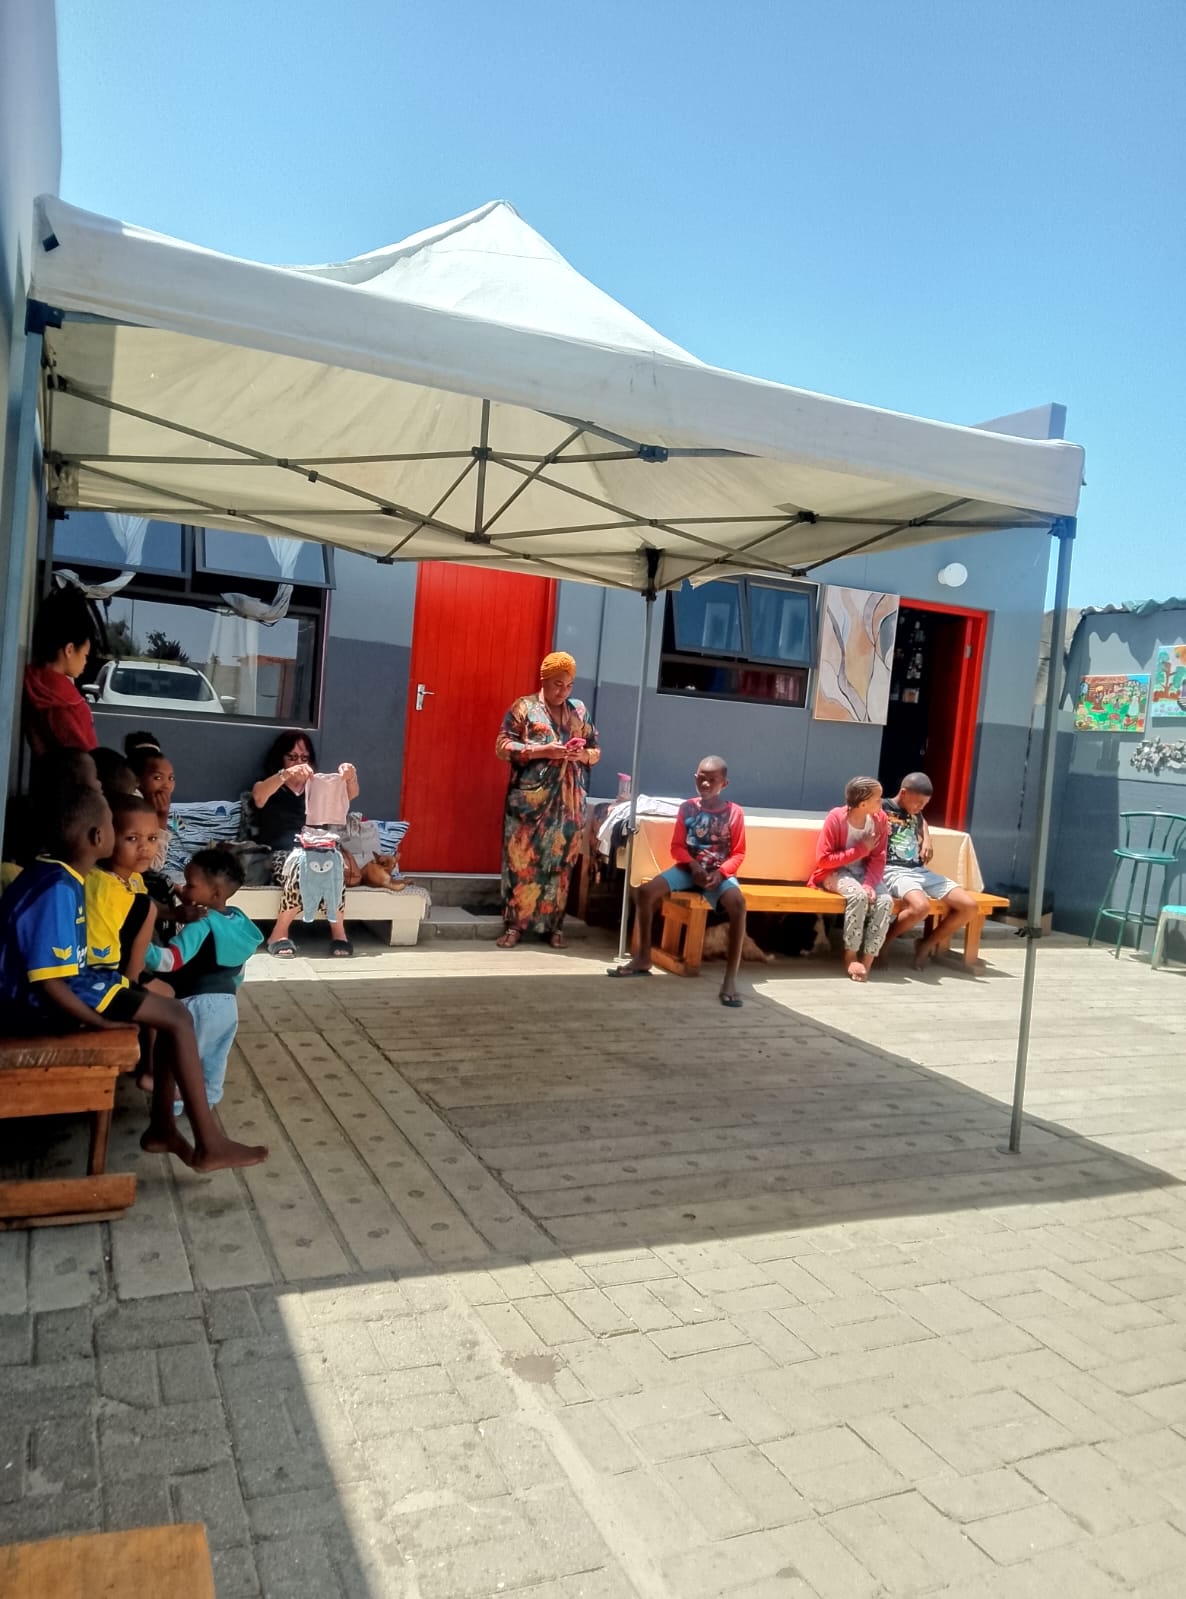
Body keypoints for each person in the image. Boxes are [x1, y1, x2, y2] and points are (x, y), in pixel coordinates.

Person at [0, 784, 267, 1172]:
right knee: (177, 1017)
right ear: (99, 837)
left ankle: (163, 1129)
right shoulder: (59, 887)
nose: (143, 845)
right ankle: (208, 1144)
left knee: (172, 1014)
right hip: (37, 1006)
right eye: (117, 828)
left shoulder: (62, 875)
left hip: (74, 985)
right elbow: (50, 981)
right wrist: (99, 1022)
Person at [609, 755, 748, 1007]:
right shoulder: (687, 809)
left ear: (724, 784)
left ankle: (730, 979)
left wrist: (720, 873)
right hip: (687, 869)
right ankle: (643, 957)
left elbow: (738, 853)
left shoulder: (734, 813)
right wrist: (692, 865)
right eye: (701, 779)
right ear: (695, 779)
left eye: (712, 780)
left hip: (717, 873)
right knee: (645, 892)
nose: (706, 784)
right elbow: (677, 847)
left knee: (738, 904)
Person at [144, 849, 263, 1118]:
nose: (184, 890)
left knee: (182, 1057)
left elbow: (171, 961)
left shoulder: (201, 923)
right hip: (227, 1004)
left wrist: (141, 950)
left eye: (190, 885)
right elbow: (239, 971)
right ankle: (206, 1102)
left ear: (215, 893)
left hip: (196, 1002)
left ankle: (173, 1106)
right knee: (214, 1059)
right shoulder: (238, 920)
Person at [494, 651, 600, 950]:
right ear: (544, 680)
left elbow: (596, 749)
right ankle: (514, 926)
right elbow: (502, 746)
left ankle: (555, 927)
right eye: (557, 684)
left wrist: (582, 755)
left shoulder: (579, 710)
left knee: (561, 863)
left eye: (568, 685)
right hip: (529, 801)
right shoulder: (524, 708)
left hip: (568, 802)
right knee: (521, 861)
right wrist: (542, 751)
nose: (563, 691)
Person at [250, 730, 359, 957]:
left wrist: (351, 776)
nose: (299, 762)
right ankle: (279, 933)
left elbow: (350, 795)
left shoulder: (317, 787)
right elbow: (259, 797)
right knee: (303, 863)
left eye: (304, 758)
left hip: (318, 849)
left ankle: (339, 934)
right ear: (280, 758)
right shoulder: (269, 784)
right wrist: (286, 774)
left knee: (332, 862)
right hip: (278, 853)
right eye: (292, 757)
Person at [881, 771, 979, 968]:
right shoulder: (882, 806)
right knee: (920, 907)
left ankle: (926, 944)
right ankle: (883, 943)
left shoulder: (915, 812)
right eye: (918, 803)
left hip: (920, 870)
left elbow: (922, 820)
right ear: (903, 793)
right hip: (893, 869)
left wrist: (927, 838)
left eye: (924, 804)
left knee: (970, 906)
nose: (920, 807)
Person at [809, 776, 892, 982]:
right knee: (858, 896)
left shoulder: (879, 819)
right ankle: (851, 955)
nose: (881, 802)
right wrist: (861, 849)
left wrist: (870, 883)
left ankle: (868, 958)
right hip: (835, 872)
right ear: (863, 804)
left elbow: (879, 857)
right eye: (878, 799)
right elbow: (823, 859)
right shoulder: (836, 818)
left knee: (885, 901)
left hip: (865, 873)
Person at [21, 588, 98, 757]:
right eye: (85, 655)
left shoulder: (30, 682)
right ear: (69, 650)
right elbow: (87, 759)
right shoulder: (70, 705)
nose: (86, 662)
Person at [124, 733, 176, 874]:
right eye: (158, 778)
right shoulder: (133, 809)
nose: (167, 785)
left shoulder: (147, 802)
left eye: (171, 778)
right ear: (136, 779)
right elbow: (154, 865)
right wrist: (162, 816)